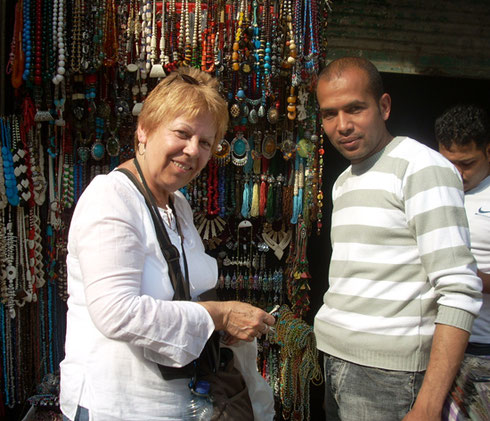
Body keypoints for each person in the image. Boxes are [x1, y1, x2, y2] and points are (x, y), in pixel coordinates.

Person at [59, 67, 275, 421]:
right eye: (182, 133)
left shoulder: (178, 205)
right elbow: (117, 311)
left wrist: (219, 327)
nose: (193, 150)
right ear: (144, 130)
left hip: (177, 404)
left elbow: (181, 292)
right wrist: (218, 316)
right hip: (118, 406)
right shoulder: (111, 197)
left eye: (206, 142)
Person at [313, 57, 482, 421]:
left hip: (391, 380)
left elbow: (460, 288)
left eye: (355, 108)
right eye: (330, 114)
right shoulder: (345, 181)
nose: (342, 125)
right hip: (336, 363)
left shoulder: (421, 168)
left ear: (384, 106)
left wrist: (428, 404)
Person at [436, 104, 490, 355]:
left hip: (482, 346)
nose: (457, 173)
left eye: (466, 163)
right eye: (449, 163)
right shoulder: (431, 192)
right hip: (432, 341)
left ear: (488, 151)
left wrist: (463, 275)